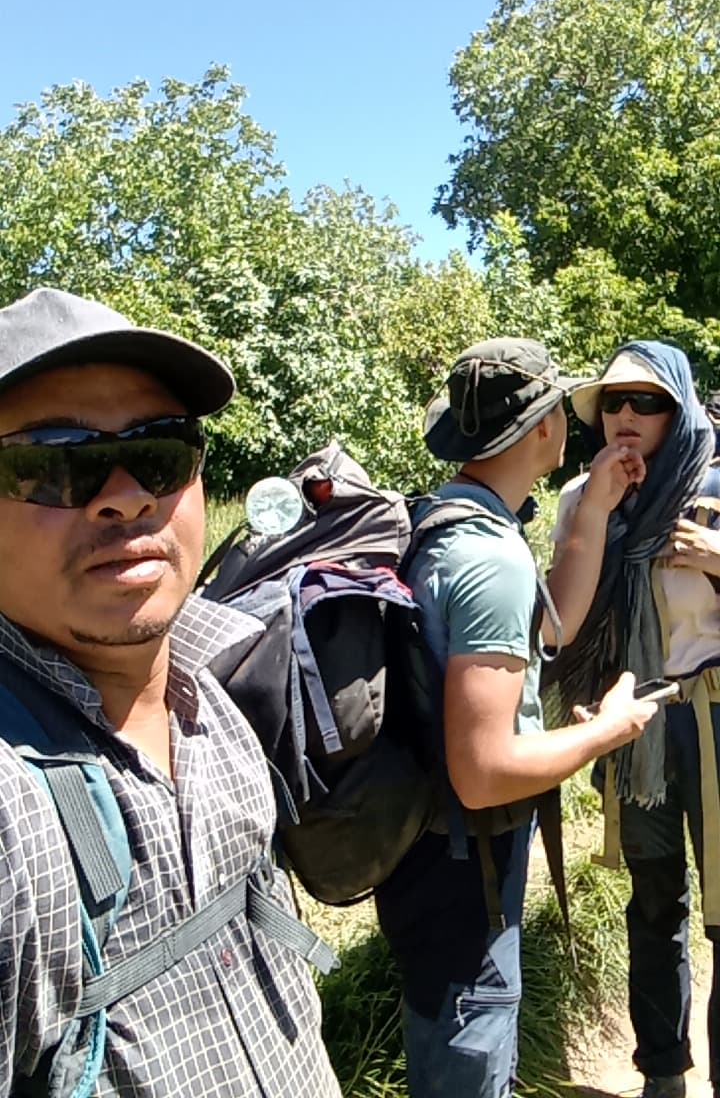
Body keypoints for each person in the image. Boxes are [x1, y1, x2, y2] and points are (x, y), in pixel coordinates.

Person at [0, 286, 341, 1098]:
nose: (128, 495)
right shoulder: (13, 809)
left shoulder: (207, 687)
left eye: (159, 452)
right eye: (55, 464)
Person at [373, 337, 658, 1098]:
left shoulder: (451, 518)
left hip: (424, 845)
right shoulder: (489, 559)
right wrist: (609, 729)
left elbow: (550, 624)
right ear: (540, 432)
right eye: (562, 410)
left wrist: (592, 508)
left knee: (445, 1026)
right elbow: (484, 771)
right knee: (469, 1042)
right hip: (462, 861)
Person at [545, 339, 719, 1098]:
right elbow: (563, 620)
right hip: (637, 719)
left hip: (717, 721)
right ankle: (662, 1072)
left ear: (676, 409)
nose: (625, 414)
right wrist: (600, 511)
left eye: (645, 401)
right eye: (612, 401)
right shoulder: (582, 497)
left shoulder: (715, 484)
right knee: (654, 903)